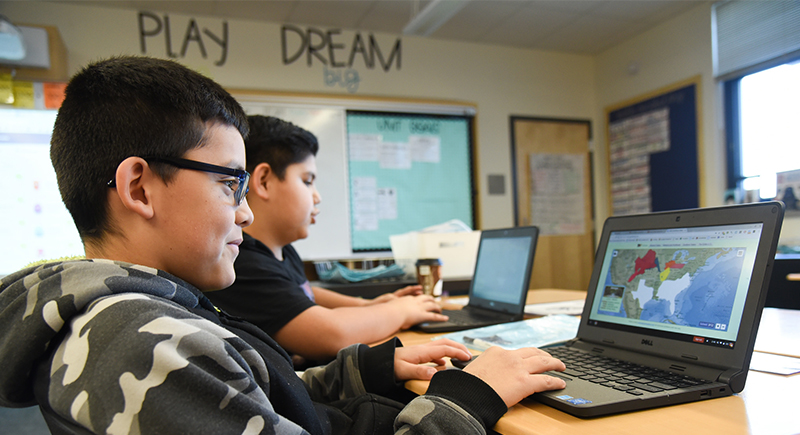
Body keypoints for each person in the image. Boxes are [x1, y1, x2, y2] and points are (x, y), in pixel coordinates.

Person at [0, 55, 567, 435]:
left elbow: (248, 389)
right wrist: (467, 402)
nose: (245, 213)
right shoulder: (140, 343)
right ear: (140, 187)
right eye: (229, 183)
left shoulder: (142, 311)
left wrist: (371, 368)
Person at [205, 115, 447, 363]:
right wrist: (402, 311)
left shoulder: (282, 252)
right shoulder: (244, 262)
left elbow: (301, 295)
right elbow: (332, 332)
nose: (317, 196)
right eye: (307, 181)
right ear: (264, 181)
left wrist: (367, 306)